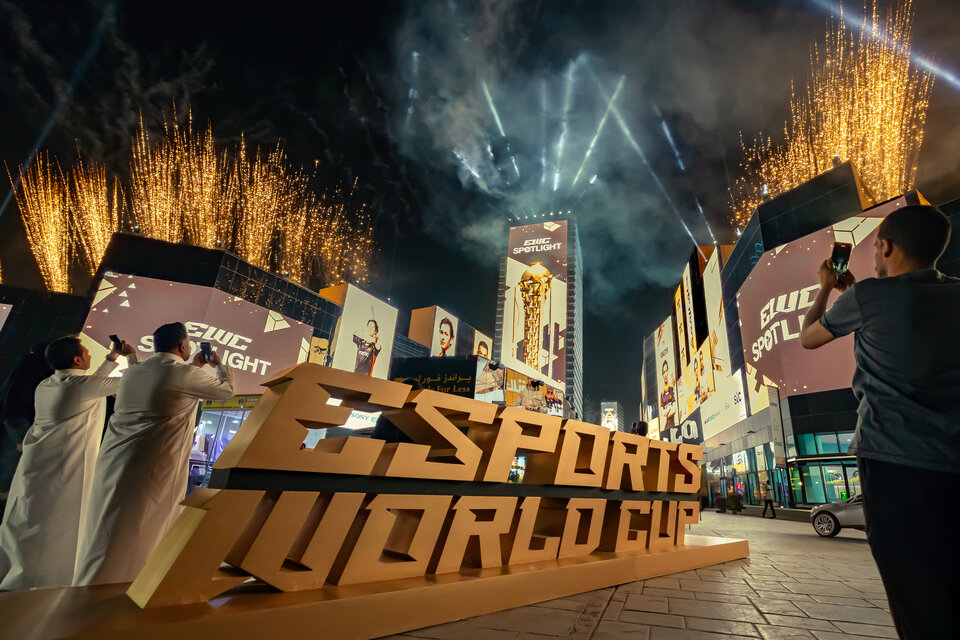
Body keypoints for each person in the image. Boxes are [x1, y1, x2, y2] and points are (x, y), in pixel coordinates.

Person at [799, 205, 959, 639]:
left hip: (894, 462)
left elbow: (809, 337)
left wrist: (827, 288)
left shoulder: (868, 297)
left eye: (874, 249)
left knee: (917, 594)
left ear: (886, 246)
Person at [73, 322, 234, 586]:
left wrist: (189, 366)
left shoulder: (134, 373)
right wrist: (219, 365)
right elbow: (226, 391)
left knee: (107, 526)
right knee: (141, 532)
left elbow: (166, 382)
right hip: (152, 468)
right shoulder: (182, 373)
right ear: (182, 346)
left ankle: (89, 584)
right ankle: (123, 588)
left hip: (114, 460)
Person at [0, 336, 137, 589]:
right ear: (77, 360)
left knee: (29, 517)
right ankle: (42, 577)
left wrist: (111, 358)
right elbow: (135, 380)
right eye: (86, 352)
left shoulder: (48, 384)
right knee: (58, 522)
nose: (89, 355)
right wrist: (130, 356)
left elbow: (91, 382)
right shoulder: (81, 386)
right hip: (64, 467)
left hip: (39, 463)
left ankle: (14, 569)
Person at [0, 344, 53, 501]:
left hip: (11, 413)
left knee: (9, 454)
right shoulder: (42, 371)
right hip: (20, 417)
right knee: (12, 455)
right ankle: (3, 493)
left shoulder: (27, 362)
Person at [659, 361, 676, 429]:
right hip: (665, 426)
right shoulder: (661, 394)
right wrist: (669, 408)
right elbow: (662, 413)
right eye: (663, 372)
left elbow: (674, 410)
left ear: (668, 371)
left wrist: (666, 413)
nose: (665, 374)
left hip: (673, 423)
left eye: (666, 371)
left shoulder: (672, 389)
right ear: (662, 374)